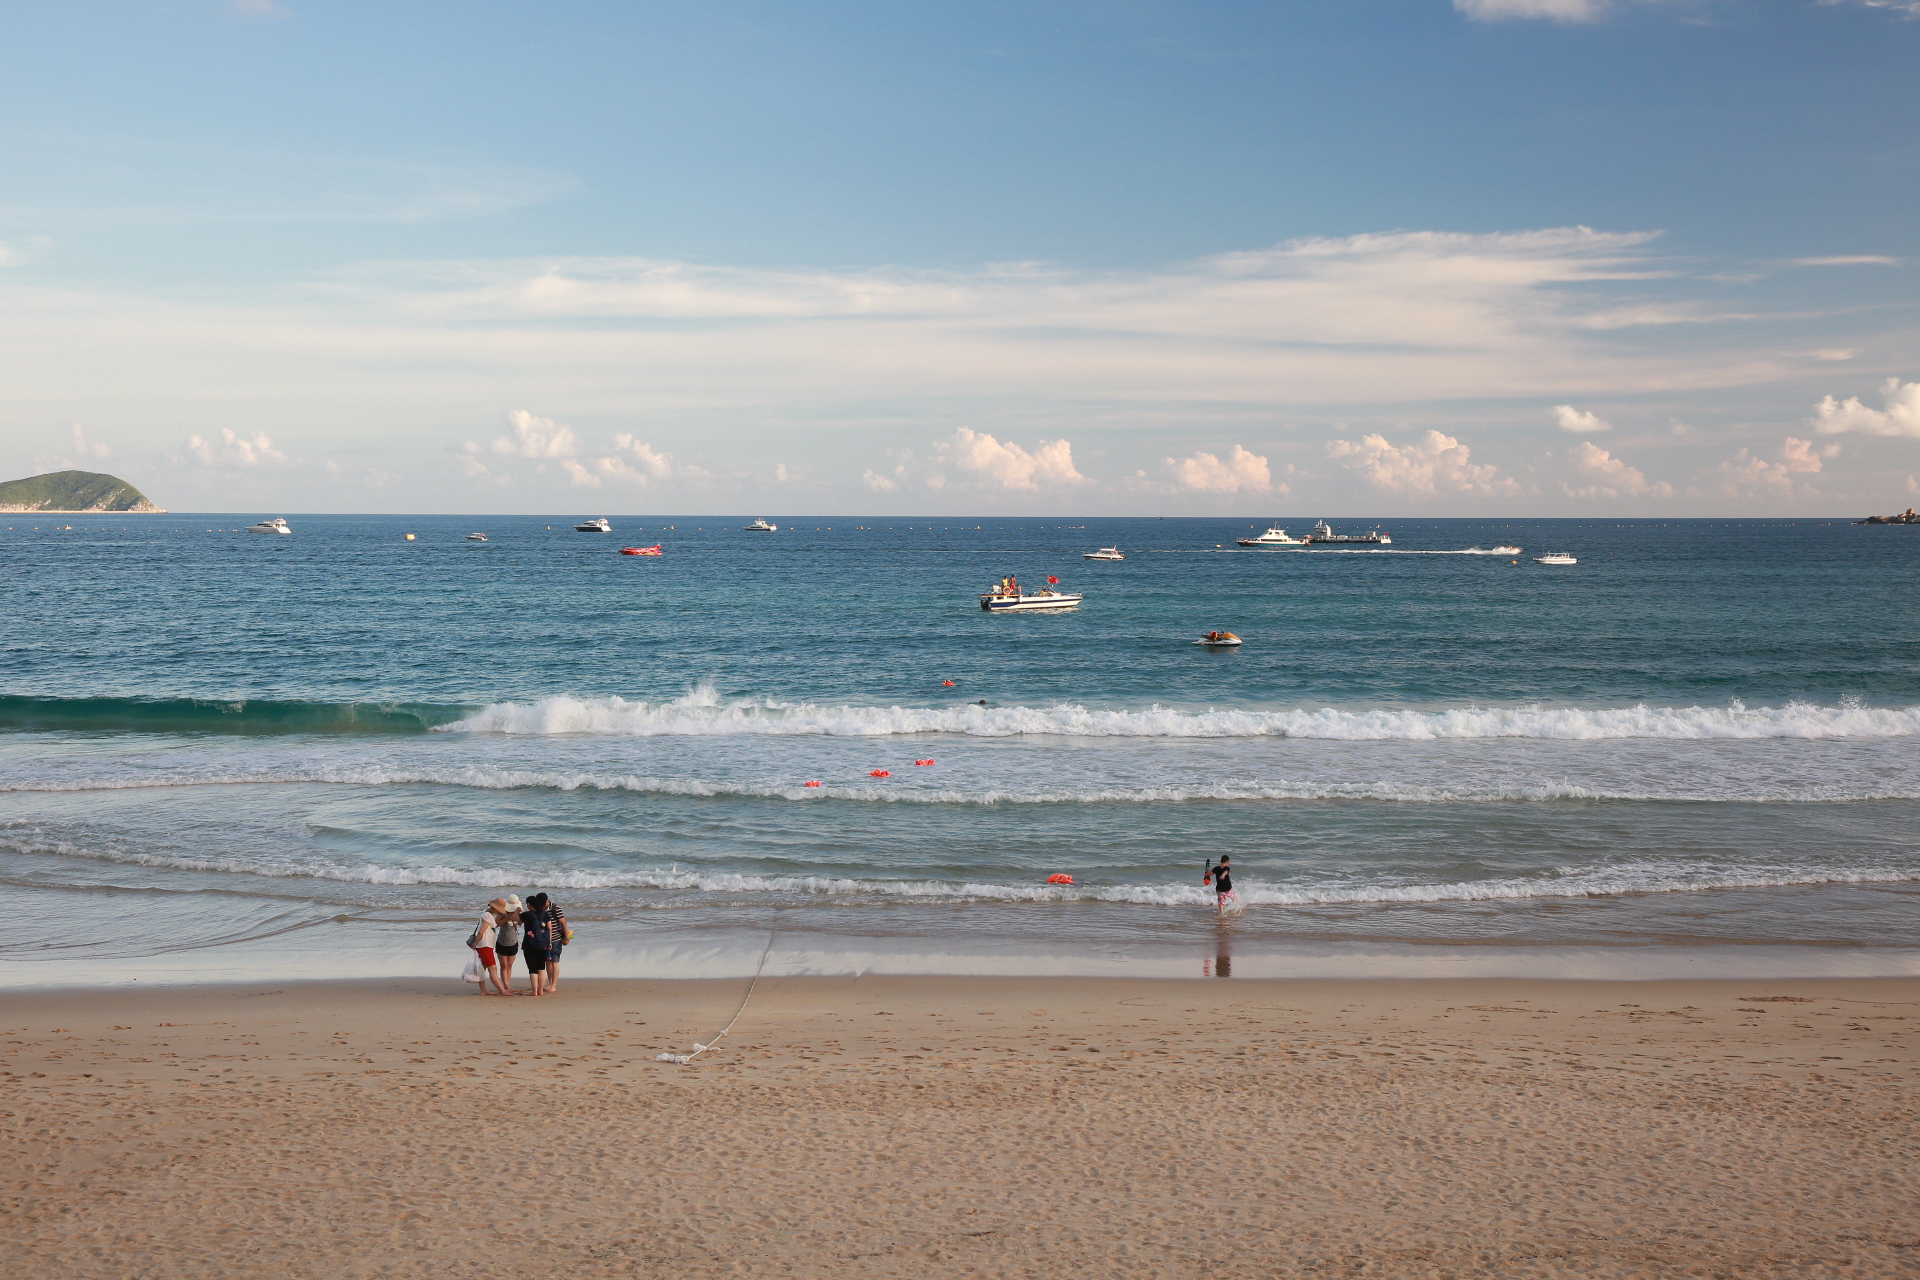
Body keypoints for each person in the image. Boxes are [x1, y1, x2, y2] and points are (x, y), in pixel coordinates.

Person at [469, 898, 514, 996]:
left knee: (483, 968)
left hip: (485, 946)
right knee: (493, 969)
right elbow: (481, 931)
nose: (500, 912)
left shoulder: (487, 913)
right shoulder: (488, 916)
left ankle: (483, 990)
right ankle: (502, 990)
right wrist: (475, 943)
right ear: (495, 908)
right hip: (485, 946)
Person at [521, 892, 554, 996]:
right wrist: (549, 941)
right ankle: (540, 990)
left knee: (532, 969)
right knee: (541, 968)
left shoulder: (527, 914)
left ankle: (534, 991)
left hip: (529, 944)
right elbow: (549, 928)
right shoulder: (545, 914)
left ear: (529, 904)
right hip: (543, 943)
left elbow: (514, 919)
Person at [493, 895, 524, 993]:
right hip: (502, 941)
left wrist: (518, 916)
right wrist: (508, 918)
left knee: (509, 966)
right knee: (504, 965)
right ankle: (506, 986)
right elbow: (496, 924)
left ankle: (508, 985)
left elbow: (520, 923)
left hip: (513, 942)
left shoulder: (517, 914)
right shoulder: (502, 913)